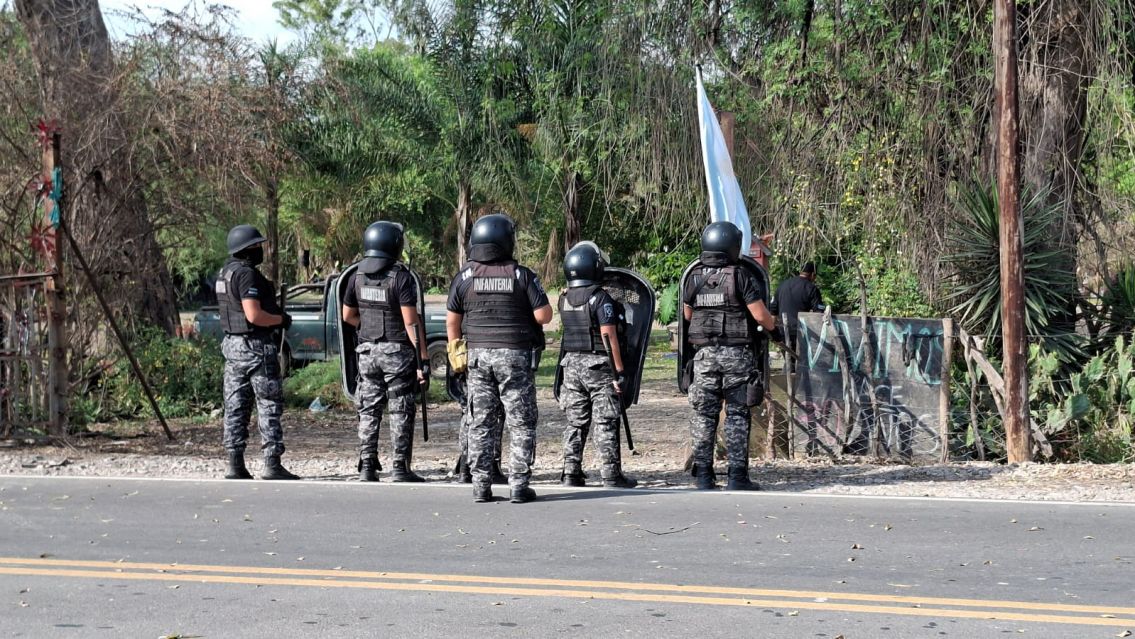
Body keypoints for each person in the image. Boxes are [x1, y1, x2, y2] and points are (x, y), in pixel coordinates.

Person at [446, 213, 553, 503]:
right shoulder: (521, 275)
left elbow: (452, 322)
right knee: (520, 421)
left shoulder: (464, 278)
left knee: (480, 421)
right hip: (515, 357)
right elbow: (544, 315)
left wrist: (457, 356)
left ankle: (481, 485)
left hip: (478, 358)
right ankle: (519, 484)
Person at [682, 222, 782, 491]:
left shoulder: (694, 278)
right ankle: (737, 477)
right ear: (732, 246)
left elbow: (687, 315)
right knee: (737, 414)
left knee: (704, 415)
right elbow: (760, 314)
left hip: (704, 356)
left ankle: (704, 475)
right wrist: (776, 331)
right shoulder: (740, 276)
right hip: (736, 355)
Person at [341, 221, 430, 482]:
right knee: (400, 408)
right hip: (397, 353)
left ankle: (367, 465)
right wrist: (422, 357)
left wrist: (368, 326)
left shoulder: (356, 276)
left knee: (369, 409)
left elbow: (348, 316)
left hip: (367, 352)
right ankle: (400, 467)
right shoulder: (400, 277)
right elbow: (411, 323)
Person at [216, 224, 299, 480]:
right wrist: (280, 319)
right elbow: (254, 315)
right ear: (248, 249)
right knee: (268, 404)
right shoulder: (246, 275)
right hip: (255, 348)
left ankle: (235, 462)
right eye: (257, 245)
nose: (261, 249)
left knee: (235, 406)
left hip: (232, 347)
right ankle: (272, 464)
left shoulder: (224, 273)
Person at [556, 241, 636, 488]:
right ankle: (611, 475)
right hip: (599, 366)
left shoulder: (564, 298)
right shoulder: (600, 299)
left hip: (571, 366)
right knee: (605, 421)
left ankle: (571, 472)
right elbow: (608, 336)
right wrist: (619, 371)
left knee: (575, 421)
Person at [769, 261, 825, 349]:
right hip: (800, 333)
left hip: (782, 331)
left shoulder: (783, 285)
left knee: (789, 359)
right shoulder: (811, 288)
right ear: (813, 274)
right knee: (800, 360)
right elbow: (818, 313)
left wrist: (772, 333)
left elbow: (773, 310)